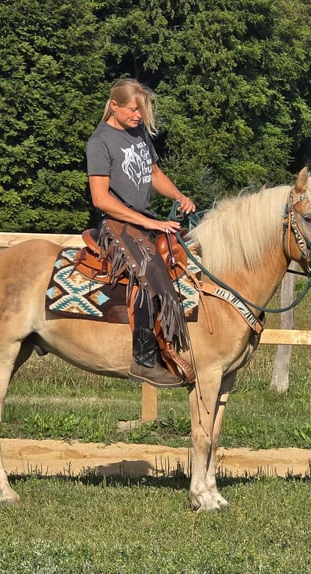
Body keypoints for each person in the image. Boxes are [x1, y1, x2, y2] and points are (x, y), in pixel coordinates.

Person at [86, 78, 196, 387]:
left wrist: (178, 197)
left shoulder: (138, 135)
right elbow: (100, 198)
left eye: (142, 112)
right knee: (144, 271)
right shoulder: (100, 142)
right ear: (114, 106)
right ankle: (144, 360)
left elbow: (155, 174)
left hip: (143, 220)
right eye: (134, 111)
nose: (139, 117)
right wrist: (149, 223)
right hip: (117, 224)